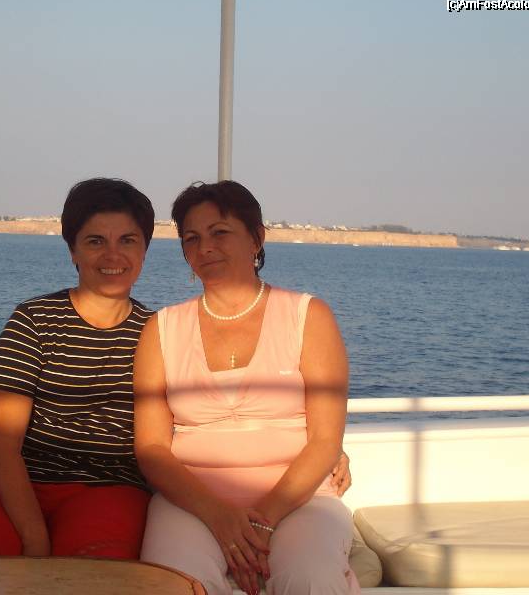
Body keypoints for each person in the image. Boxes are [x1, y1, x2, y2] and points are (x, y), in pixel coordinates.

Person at [0, 177, 352, 562]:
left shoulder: (156, 332)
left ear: (144, 250)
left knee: (96, 568)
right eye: (95, 241)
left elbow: (201, 416)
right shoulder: (34, 321)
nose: (112, 255)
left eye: (127, 240)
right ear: (73, 251)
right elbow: (2, 444)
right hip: (16, 485)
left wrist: (328, 446)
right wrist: (34, 538)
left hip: (110, 487)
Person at [134, 181, 360, 594]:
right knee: (173, 585)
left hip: (301, 500)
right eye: (191, 238)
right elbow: (151, 448)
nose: (205, 248)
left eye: (219, 232)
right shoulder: (160, 330)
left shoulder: (308, 317)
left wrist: (263, 521)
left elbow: (326, 440)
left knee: (310, 579)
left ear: (256, 238)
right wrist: (218, 516)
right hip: (191, 504)